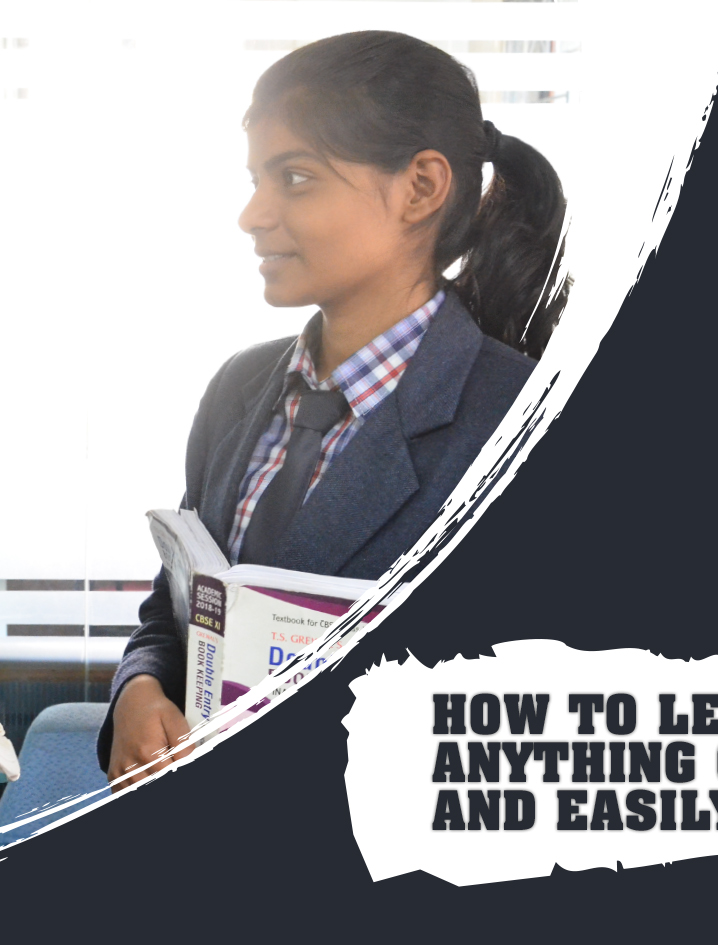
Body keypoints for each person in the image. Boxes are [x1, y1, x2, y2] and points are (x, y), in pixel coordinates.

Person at [100, 31, 571, 781]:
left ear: (421, 187)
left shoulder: (521, 423)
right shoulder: (237, 390)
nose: (252, 214)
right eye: (256, 178)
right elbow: (178, 605)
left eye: (294, 178)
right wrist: (139, 688)